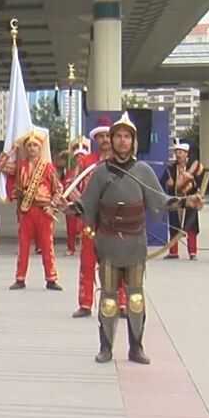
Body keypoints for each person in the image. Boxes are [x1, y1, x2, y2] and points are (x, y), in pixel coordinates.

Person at [69, 113, 176, 364]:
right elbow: (86, 205)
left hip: (135, 242)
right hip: (107, 242)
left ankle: (136, 347)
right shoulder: (99, 173)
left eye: (127, 136)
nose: (122, 140)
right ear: (112, 139)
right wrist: (67, 207)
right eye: (118, 135)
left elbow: (161, 201)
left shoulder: (144, 171)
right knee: (108, 297)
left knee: (136, 297)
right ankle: (106, 347)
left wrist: (185, 202)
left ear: (133, 141)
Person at [0, 126, 62, 291]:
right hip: (26, 211)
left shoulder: (47, 167)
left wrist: (53, 206)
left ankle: (51, 278)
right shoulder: (20, 166)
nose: (32, 149)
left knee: (47, 245)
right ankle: (20, 278)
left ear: (40, 148)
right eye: (29, 146)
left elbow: (58, 189)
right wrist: (12, 148)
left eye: (35, 146)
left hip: (43, 210)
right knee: (23, 245)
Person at [72, 119, 112, 317]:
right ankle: (85, 303)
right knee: (87, 261)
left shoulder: (120, 161)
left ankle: (120, 303)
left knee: (116, 262)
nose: (104, 140)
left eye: (107, 136)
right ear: (95, 139)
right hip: (90, 221)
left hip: (114, 221)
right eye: (100, 136)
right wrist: (83, 204)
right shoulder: (86, 162)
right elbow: (70, 187)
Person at [161, 138, 204, 260]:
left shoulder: (194, 168)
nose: (178, 155)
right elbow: (161, 182)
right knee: (174, 226)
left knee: (191, 226)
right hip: (175, 201)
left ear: (186, 154)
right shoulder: (170, 169)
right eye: (177, 152)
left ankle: (192, 252)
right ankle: (173, 252)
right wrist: (167, 183)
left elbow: (201, 183)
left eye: (181, 152)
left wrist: (192, 181)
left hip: (190, 200)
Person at [65, 139, 90, 256]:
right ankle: (70, 247)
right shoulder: (69, 170)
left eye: (82, 156)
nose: (80, 158)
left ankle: (85, 248)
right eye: (78, 156)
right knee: (71, 225)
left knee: (85, 227)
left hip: (87, 202)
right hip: (73, 203)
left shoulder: (91, 170)